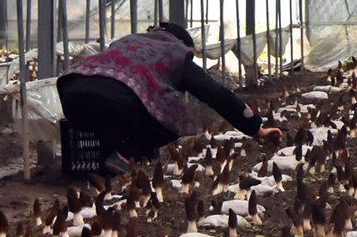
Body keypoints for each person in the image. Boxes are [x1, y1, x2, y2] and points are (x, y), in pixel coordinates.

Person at [57, 23, 280, 175]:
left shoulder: (127, 41)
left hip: (72, 92)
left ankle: (108, 168)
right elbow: (217, 95)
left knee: (114, 118)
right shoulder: (175, 53)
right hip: (115, 99)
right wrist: (255, 128)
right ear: (181, 43)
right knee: (176, 117)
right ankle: (125, 155)